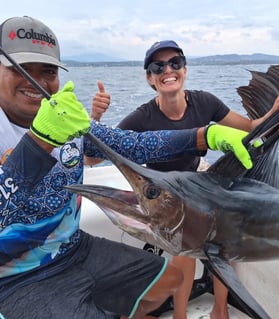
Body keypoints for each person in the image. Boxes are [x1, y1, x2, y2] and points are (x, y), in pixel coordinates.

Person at [0, 17, 258, 319]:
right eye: (20, 69)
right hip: (15, 278)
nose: (38, 82)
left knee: (170, 281)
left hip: (75, 249)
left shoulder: (66, 122)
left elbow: (134, 144)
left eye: (48, 71)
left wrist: (204, 136)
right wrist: (38, 143)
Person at [116, 40, 279, 319]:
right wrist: (95, 117)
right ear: (150, 77)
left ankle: (221, 310)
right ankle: (180, 315)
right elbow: (95, 157)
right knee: (186, 244)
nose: (168, 70)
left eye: (175, 63)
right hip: (163, 192)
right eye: (158, 66)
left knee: (225, 233)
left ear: (185, 70)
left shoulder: (205, 102)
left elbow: (249, 128)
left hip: (197, 179)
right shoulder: (140, 118)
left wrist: (277, 108)